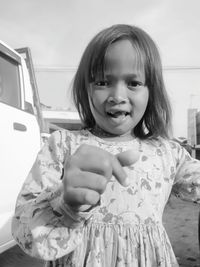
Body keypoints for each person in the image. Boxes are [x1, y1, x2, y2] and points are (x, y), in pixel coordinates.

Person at [12, 24, 200, 267]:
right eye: (102, 82)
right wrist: (64, 203)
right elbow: (23, 228)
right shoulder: (63, 146)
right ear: (85, 88)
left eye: (133, 83)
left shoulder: (168, 153)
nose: (117, 95)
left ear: (151, 92)